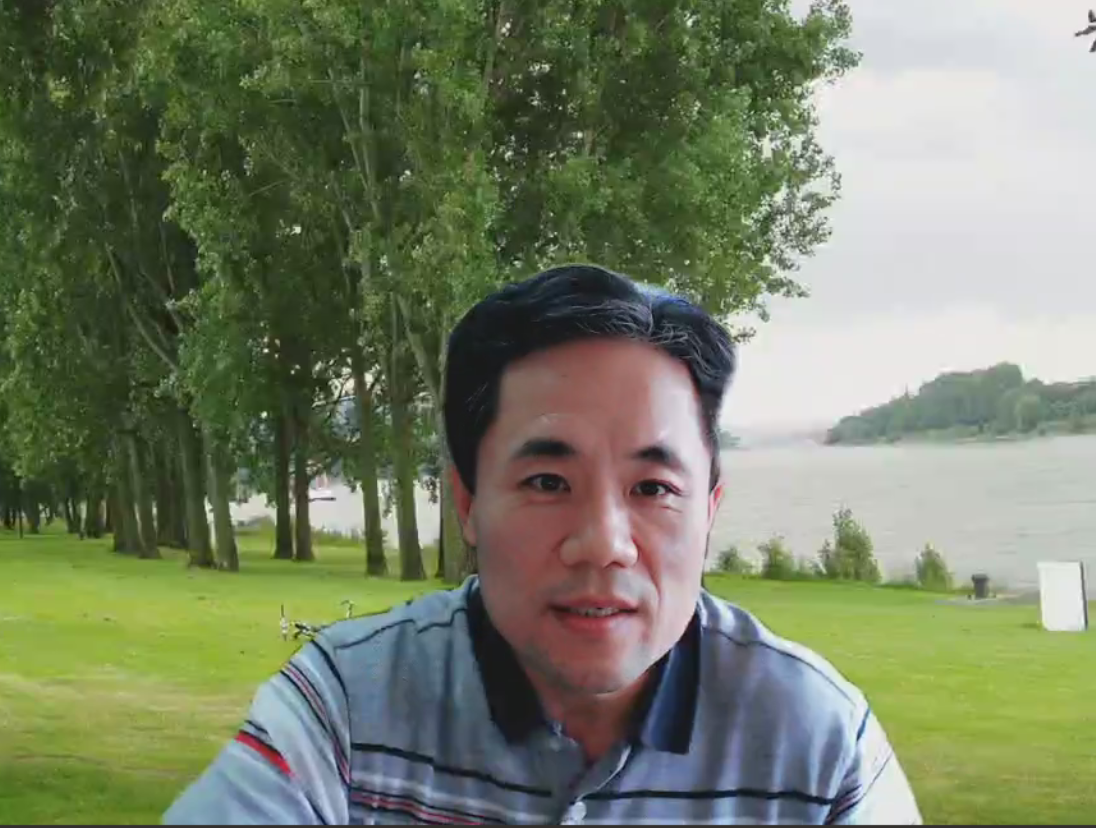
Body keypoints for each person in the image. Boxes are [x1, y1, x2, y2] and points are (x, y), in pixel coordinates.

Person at [163, 264, 922, 825]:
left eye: (653, 488)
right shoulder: (346, 710)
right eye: (549, 482)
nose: (604, 545)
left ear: (710, 512)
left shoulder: (819, 746)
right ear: (467, 503)